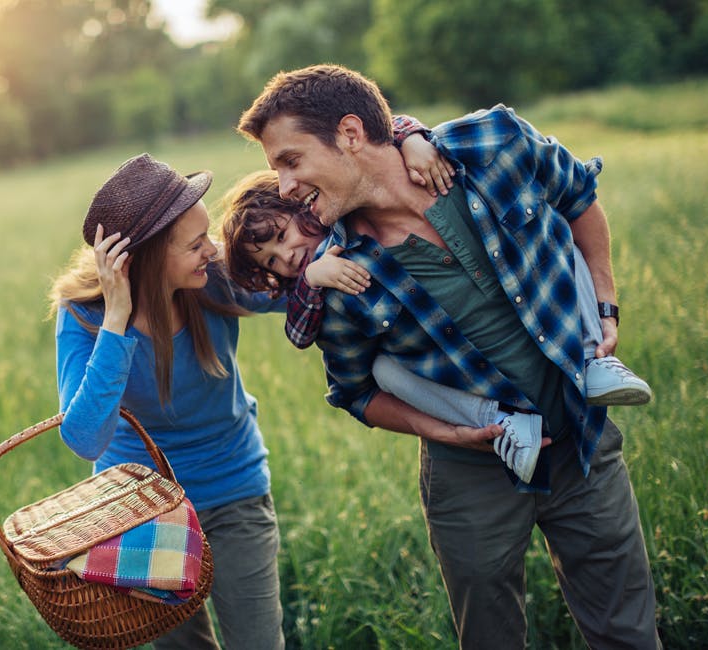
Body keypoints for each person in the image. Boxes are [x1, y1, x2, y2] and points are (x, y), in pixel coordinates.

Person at [237, 64, 661, 648]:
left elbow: (578, 195)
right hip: (472, 475)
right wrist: (445, 432)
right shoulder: (339, 277)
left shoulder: (492, 144)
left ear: (352, 134)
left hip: (583, 440)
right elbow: (357, 391)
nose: (284, 187)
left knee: (629, 631)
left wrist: (606, 304)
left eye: (290, 160)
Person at [221, 170, 650, 483]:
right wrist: (313, 280)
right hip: (455, 389)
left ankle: (595, 359)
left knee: (556, 233)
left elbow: (377, 137)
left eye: (281, 236)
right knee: (384, 370)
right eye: (272, 262)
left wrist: (412, 140)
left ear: (299, 204)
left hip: (540, 357)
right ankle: (502, 423)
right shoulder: (321, 285)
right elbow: (301, 338)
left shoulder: (352, 213)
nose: (287, 256)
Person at [49, 153, 286, 649]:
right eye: (196, 244)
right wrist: (117, 318)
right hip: (142, 513)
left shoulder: (213, 279)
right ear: (147, 259)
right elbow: (85, 437)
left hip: (233, 491)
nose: (213, 250)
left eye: (209, 237)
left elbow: (295, 282)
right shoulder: (84, 314)